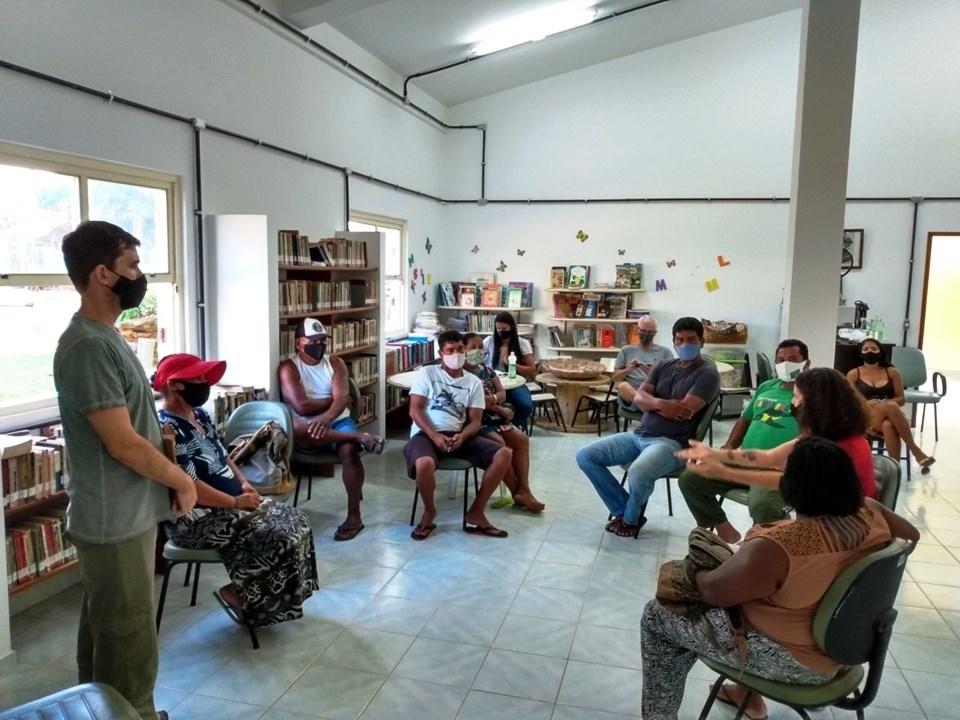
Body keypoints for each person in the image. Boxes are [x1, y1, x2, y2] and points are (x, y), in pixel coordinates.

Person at [641, 437, 919, 720]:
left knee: (659, 615)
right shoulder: (871, 512)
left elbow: (713, 592)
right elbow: (911, 537)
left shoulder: (782, 548)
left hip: (798, 663)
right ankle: (744, 695)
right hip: (847, 649)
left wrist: (699, 565)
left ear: (791, 487)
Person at [54, 221, 198, 720]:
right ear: (103, 275)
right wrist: (180, 480)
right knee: (129, 638)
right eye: (132, 265)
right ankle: (130, 711)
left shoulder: (107, 338)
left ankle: (104, 711)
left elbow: (132, 427)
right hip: (113, 521)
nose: (141, 275)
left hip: (128, 514)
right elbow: (121, 443)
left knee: (106, 630)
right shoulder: (88, 346)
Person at [155, 353, 318, 627]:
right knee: (274, 535)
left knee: (296, 521)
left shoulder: (200, 416)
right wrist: (235, 502)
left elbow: (225, 456)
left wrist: (244, 484)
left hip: (232, 503)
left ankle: (266, 603)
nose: (203, 382)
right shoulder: (168, 429)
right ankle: (242, 596)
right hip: (197, 519)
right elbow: (189, 485)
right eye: (196, 378)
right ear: (174, 385)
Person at [576, 317, 720, 537]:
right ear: (673, 341)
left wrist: (650, 403)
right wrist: (662, 404)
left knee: (638, 472)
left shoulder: (707, 373)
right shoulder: (664, 365)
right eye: (680, 340)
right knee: (586, 456)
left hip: (671, 443)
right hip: (639, 435)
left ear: (702, 341)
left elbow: (683, 410)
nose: (685, 345)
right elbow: (639, 398)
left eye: (691, 340)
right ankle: (623, 509)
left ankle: (631, 520)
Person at [678, 367, 877, 502]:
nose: (793, 404)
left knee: (759, 547)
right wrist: (714, 453)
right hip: (829, 517)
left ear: (814, 405)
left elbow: (783, 483)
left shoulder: (829, 448)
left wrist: (723, 472)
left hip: (841, 528)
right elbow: (768, 457)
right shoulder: (829, 433)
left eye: (797, 398)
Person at [678, 339, 809, 543]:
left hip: (778, 468)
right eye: (780, 360)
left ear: (806, 363)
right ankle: (725, 530)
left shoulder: (813, 396)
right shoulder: (767, 387)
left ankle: (767, 547)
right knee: (691, 478)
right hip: (746, 458)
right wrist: (729, 446)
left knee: (762, 505)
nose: (785, 364)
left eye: (792, 359)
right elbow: (745, 420)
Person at [278, 318, 384, 541]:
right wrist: (334, 401)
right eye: (313, 340)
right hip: (305, 425)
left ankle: (354, 516)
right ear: (299, 343)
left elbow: (343, 397)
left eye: (322, 340)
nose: (319, 345)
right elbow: (301, 406)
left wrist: (327, 417)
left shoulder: (335, 363)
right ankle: (358, 436)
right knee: (299, 428)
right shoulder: (289, 367)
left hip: (335, 422)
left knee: (349, 451)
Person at [404, 330, 514, 540]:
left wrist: (463, 436)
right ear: (441, 353)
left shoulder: (473, 382)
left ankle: (477, 511)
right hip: (426, 434)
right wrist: (435, 436)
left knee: (504, 454)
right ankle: (429, 512)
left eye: (460, 349)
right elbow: (415, 411)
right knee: (424, 464)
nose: (457, 354)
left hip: (459, 435)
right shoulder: (427, 374)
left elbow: (475, 421)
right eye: (450, 350)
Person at [463, 333, 544, 512]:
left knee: (521, 439)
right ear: (463, 350)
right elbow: (475, 402)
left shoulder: (487, 370)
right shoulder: (461, 374)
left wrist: (492, 399)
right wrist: (499, 407)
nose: (478, 351)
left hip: (495, 418)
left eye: (480, 348)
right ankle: (517, 492)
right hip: (477, 421)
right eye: (473, 347)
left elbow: (502, 394)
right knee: (501, 446)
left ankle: (524, 489)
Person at [846, 338, 934, 474]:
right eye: (866, 349)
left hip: (889, 414)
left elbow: (901, 399)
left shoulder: (892, 372)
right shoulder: (853, 374)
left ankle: (894, 469)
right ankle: (916, 452)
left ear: (880, 352)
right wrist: (866, 403)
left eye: (874, 349)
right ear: (860, 353)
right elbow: (850, 401)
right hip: (865, 415)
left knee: (888, 422)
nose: (870, 351)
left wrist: (885, 404)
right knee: (891, 406)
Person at [482, 312, 536, 429]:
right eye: (498, 328)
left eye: (505, 328)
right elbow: (477, 358)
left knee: (525, 405)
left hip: (515, 383)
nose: (501, 331)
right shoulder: (489, 341)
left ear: (511, 327)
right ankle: (494, 429)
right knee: (485, 404)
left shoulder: (522, 343)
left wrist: (513, 365)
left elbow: (532, 371)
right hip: (494, 384)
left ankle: (512, 426)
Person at [612, 314, 674, 407]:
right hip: (632, 393)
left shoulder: (665, 352)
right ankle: (650, 405)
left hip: (654, 392)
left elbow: (671, 380)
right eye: (644, 330)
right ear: (637, 329)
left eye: (650, 332)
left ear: (655, 333)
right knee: (622, 386)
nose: (646, 334)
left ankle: (648, 405)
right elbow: (615, 378)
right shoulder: (626, 350)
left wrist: (652, 374)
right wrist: (629, 369)